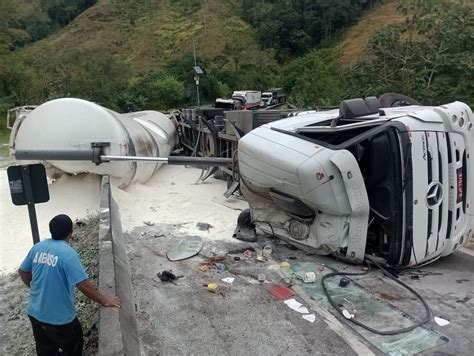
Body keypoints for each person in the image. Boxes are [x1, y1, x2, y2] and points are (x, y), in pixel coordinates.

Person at [18, 214, 121, 356]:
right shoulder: (68, 254)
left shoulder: (37, 247)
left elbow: (23, 272)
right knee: (74, 346)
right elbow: (83, 285)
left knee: (46, 351)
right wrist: (105, 301)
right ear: (70, 233)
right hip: (60, 320)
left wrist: (36, 288)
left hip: (35, 313)